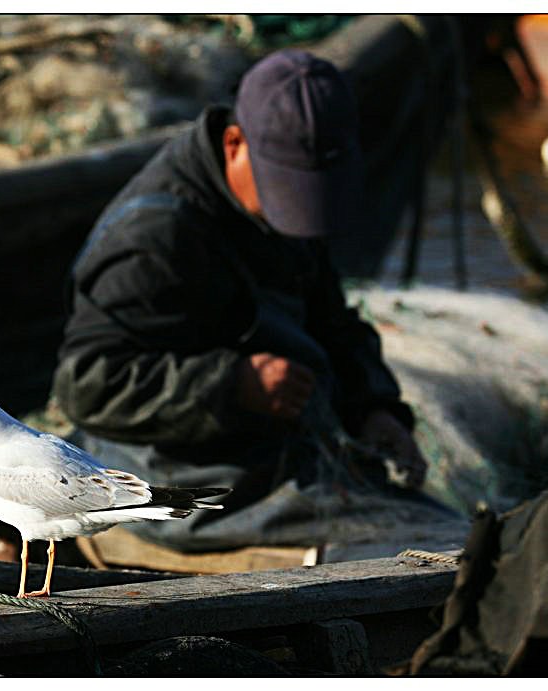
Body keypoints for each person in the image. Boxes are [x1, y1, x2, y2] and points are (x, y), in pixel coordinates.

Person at [51, 49, 447, 554]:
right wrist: (233, 384)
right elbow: (85, 385)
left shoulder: (273, 205)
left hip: (265, 451)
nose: (299, 213)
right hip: (170, 475)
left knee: (433, 527)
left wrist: (372, 407)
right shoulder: (153, 238)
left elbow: (331, 317)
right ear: (234, 143)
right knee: (427, 542)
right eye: (288, 191)